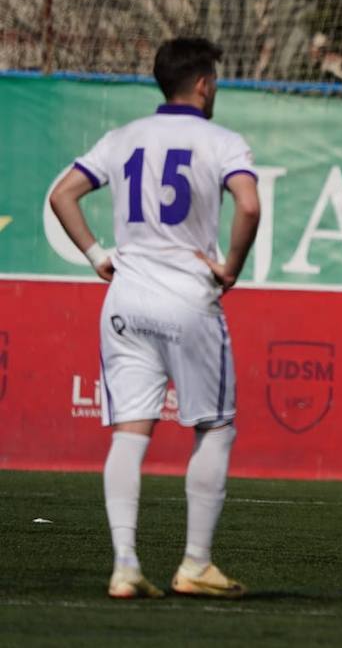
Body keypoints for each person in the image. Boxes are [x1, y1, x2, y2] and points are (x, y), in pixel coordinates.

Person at [48, 37, 260, 600]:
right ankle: (194, 564)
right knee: (215, 426)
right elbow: (250, 204)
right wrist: (231, 267)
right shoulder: (221, 140)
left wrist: (97, 255)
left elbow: (64, 193)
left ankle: (124, 563)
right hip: (187, 298)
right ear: (203, 84)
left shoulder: (123, 138)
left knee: (130, 432)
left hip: (125, 299)